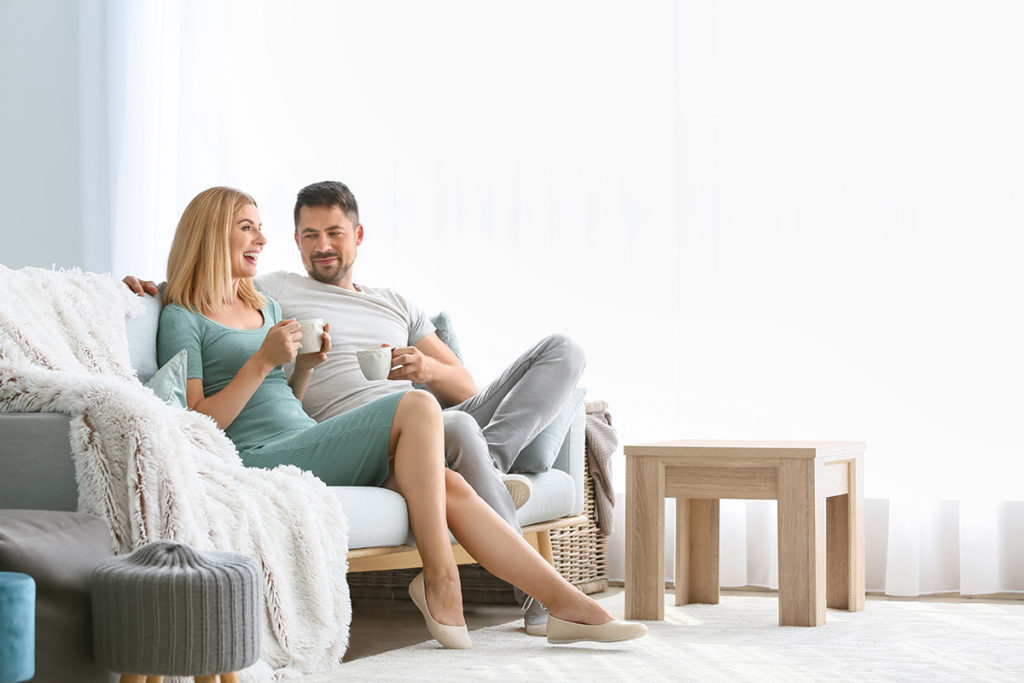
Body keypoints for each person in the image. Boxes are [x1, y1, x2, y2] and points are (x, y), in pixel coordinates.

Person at [155, 185, 646, 650]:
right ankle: (441, 578)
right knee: (417, 404)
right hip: (260, 455)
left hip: (308, 437)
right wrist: (261, 359)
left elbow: (283, 395)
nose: (262, 239)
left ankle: (567, 606)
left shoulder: (263, 303)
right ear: (213, 233)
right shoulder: (183, 314)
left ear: (358, 236)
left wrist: (301, 366)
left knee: (448, 484)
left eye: (261, 227)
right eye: (248, 228)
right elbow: (197, 422)